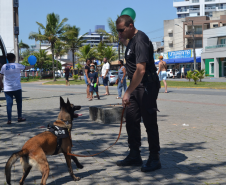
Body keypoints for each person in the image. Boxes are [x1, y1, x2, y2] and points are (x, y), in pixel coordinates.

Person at [116, 15, 161, 172]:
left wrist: (127, 91)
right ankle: (135, 154)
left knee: (149, 122)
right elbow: (131, 51)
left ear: (131, 25)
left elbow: (141, 70)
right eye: (118, 31)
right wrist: (124, 41)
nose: (119, 33)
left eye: (122, 30)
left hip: (146, 85)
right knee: (131, 119)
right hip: (136, 86)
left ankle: (155, 157)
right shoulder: (132, 41)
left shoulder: (141, 39)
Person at [0, 53, 26, 124]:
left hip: (7, 89)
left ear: (7, 59)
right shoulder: (17, 65)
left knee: (9, 104)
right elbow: (26, 67)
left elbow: (1, 75)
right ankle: (19, 117)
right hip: (17, 87)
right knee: (19, 103)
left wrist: (1, 83)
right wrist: (32, 65)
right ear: (14, 58)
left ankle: (9, 119)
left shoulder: (4, 66)